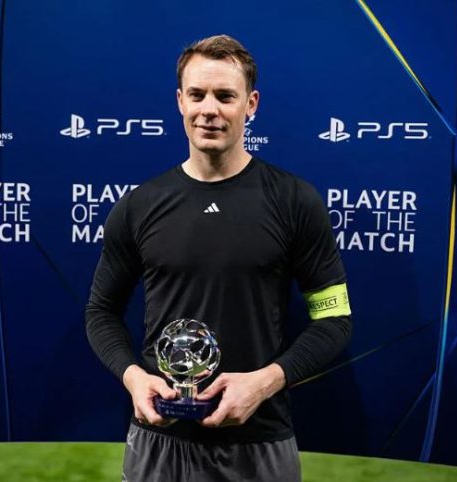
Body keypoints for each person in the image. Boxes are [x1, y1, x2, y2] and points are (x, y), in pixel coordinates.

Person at [85, 34, 352, 482]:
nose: (209, 109)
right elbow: (100, 312)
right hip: (159, 441)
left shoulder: (294, 201)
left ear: (251, 104)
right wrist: (133, 377)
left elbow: (334, 319)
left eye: (225, 96)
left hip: (259, 441)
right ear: (180, 101)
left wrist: (265, 382)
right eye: (197, 95)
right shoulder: (138, 206)